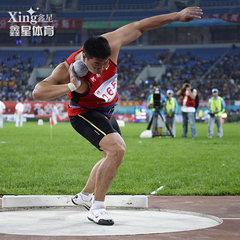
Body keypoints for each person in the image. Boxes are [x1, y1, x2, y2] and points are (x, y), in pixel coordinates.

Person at [32, 7, 202, 225]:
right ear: (84, 57)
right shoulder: (66, 69)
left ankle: (84, 197)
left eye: (105, 63)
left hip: (106, 112)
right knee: (117, 149)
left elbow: (141, 26)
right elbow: (38, 92)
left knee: (111, 156)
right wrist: (70, 85)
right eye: (96, 65)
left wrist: (176, 17)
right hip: (83, 113)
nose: (102, 68)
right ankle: (97, 207)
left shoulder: (110, 43)